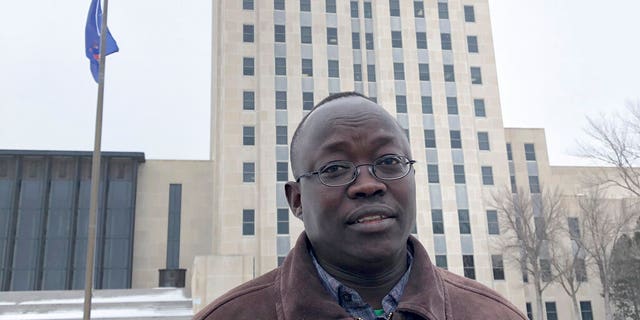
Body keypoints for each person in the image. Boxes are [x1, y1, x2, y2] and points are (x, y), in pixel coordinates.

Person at [194, 92, 526, 319]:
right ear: (296, 200)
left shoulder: (493, 313)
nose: (369, 185)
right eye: (335, 169)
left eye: (390, 161)